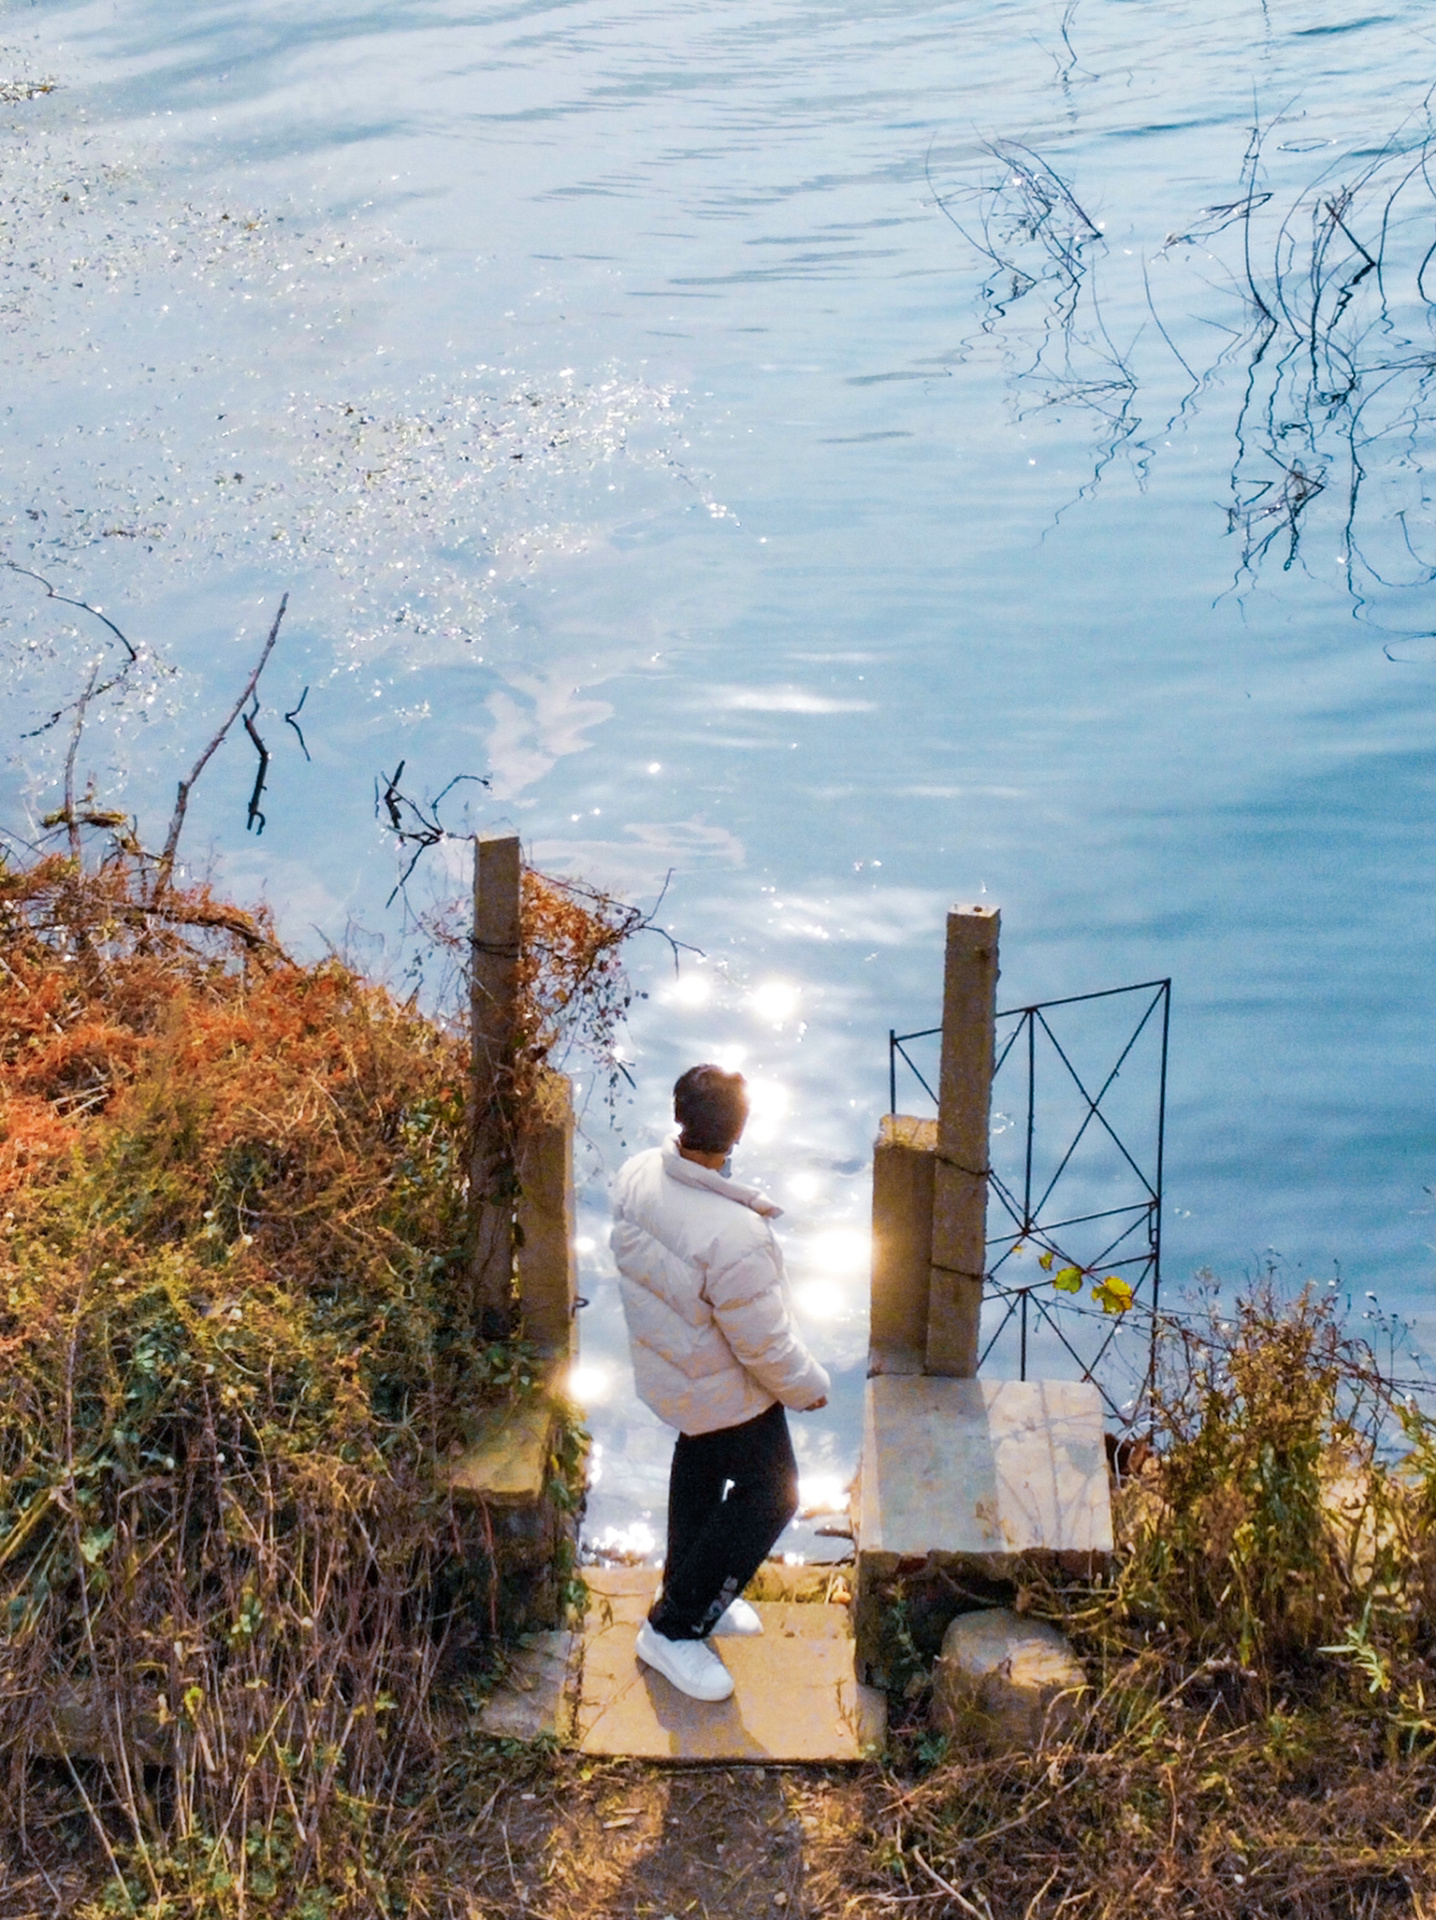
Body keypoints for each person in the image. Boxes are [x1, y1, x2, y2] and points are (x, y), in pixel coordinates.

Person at [609, 1063, 831, 1703]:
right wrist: (809, 1388)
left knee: (702, 1462)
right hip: (722, 1385)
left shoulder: (637, 1176)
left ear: (681, 1119)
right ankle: (674, 1628)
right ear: (736, 1135)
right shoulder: (734, 1233)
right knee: (774, 1492)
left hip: (673, 1370)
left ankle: (689, 1587)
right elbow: (764, 1343)